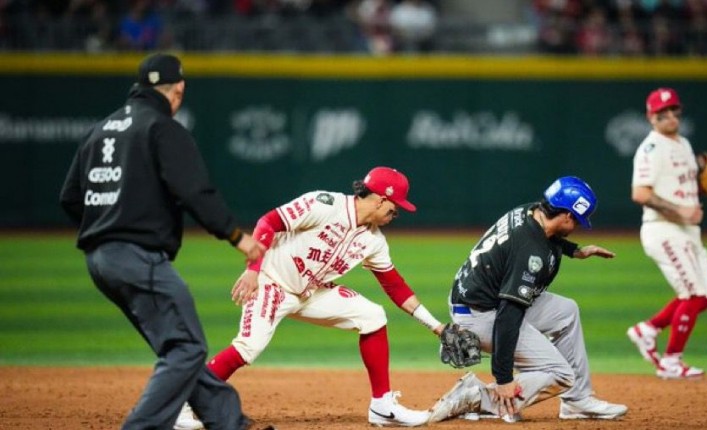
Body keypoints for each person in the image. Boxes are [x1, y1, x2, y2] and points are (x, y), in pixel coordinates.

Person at [59, 53, 265, 430]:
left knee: (178, 345)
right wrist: (236, 236)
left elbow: (70, 197)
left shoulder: (99, 130)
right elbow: (194, 191)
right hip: (138, 257)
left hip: (99, 259)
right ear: (178, 90)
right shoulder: (162, 127)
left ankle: (229, 422)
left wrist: (105, 224)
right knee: (187, 347)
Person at [179, 166, 446, 428]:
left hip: (311, 292)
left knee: (372, 316)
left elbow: (395, 287)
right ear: (380, 199)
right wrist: (253, 270)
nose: (396, 213)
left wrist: (437, 327)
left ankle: (382, 406)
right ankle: (183, 403)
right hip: (271, 282)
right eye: (394, 207)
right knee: (249, 346)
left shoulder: (374, 241)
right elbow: (268, 222)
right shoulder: (324, 204)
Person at [428, 176, 628, 424]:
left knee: (566, 312)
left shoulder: (530, 211)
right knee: (561, 374)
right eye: (577, 220)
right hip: (483, 315)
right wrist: (503, 379)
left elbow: (550, 237)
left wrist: (575, 250)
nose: (577, 225)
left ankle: (577, 401)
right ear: (567, 216)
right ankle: (477, 396)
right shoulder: (530, 252)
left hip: (479, 298)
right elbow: (508, 316)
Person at [626, 88, 707, 379]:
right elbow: (640, 193)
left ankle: (648, 329)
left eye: (673, 110)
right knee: (693, 293)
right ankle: (671, 362)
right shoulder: (651, 149)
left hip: (688, 231)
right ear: (650, 116)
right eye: (661, 112)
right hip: (663, 229)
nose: (669, 116)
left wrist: (699, 173)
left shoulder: (684, 143)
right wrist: (681, 211)